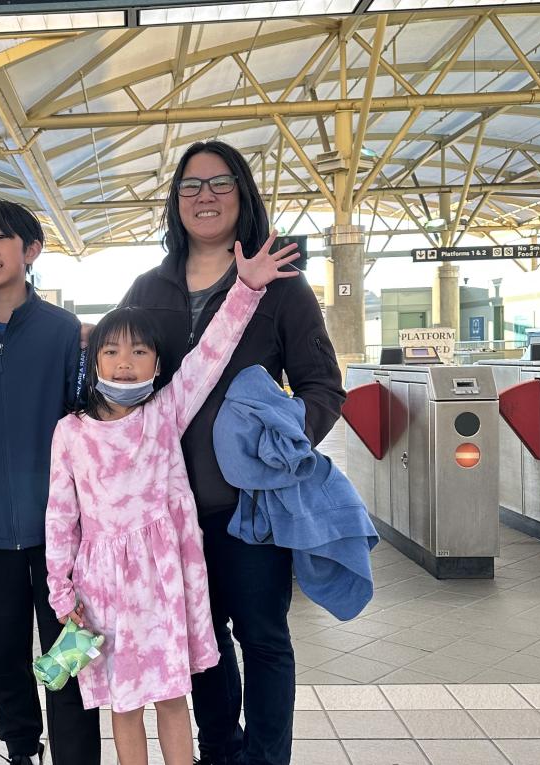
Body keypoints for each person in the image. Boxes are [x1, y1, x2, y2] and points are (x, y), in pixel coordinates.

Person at [120, 141, 346, 765]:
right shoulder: (147, 289)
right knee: (201, 642)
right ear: (176, 203)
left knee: (264, 637)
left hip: (251, 507)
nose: (205, 196)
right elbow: (127, 386)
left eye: (220, 183)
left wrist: (277, 449)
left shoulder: (282, 287)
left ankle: (267, 758)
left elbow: (323, 387)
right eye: (191, 186)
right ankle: (220, 751)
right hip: (171, 507)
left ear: (243, 195)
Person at [46, 235, 299, 765]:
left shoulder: (163, 415)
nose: (124, 363)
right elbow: (60, 520)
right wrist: (60, 591)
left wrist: (247, 289)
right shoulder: (70, 433)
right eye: (111, 351)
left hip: (162, 583)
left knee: (170, 696)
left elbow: (209, 356)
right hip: (101, 588)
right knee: (122, 704)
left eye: (139, 352)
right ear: (92, 362)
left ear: (157, 364)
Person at [0, 199, 101, 765]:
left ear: (30, 250)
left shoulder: (63, 332)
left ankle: (75, 755)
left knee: (69, 651)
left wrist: (88, 522)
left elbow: (85, 429)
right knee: (4, 652)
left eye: (0, 238)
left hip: (63, 535)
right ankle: (21, 750)